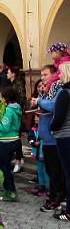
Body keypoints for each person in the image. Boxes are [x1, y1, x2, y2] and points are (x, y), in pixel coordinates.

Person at [31, 64, 66, 212]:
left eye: (45, 75)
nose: (43, 78)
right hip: (47, 140)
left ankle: (56, 198)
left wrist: (39, 101)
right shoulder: (48, 91)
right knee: (51, 171)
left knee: (55, 172)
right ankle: (55, 196)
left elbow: (53, 106)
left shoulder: (58, 90)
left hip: (54, 139)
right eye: (42, 75)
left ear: (54, 75)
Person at [0, 86, 22, 202]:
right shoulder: (16, 107)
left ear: (5, 98)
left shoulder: (9, 111)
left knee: (4, 167)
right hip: (13, 140)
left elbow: (4, 127)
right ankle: (7, 189)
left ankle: (10, 191)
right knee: (5, 166)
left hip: (7, 141)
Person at [51, 63, 70, 220]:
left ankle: (69, 211)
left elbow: (59, 117)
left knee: (68, 173)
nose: (59, 76)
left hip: (65, 136)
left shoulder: (64, 93)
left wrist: (52, 127)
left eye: (61, 73)